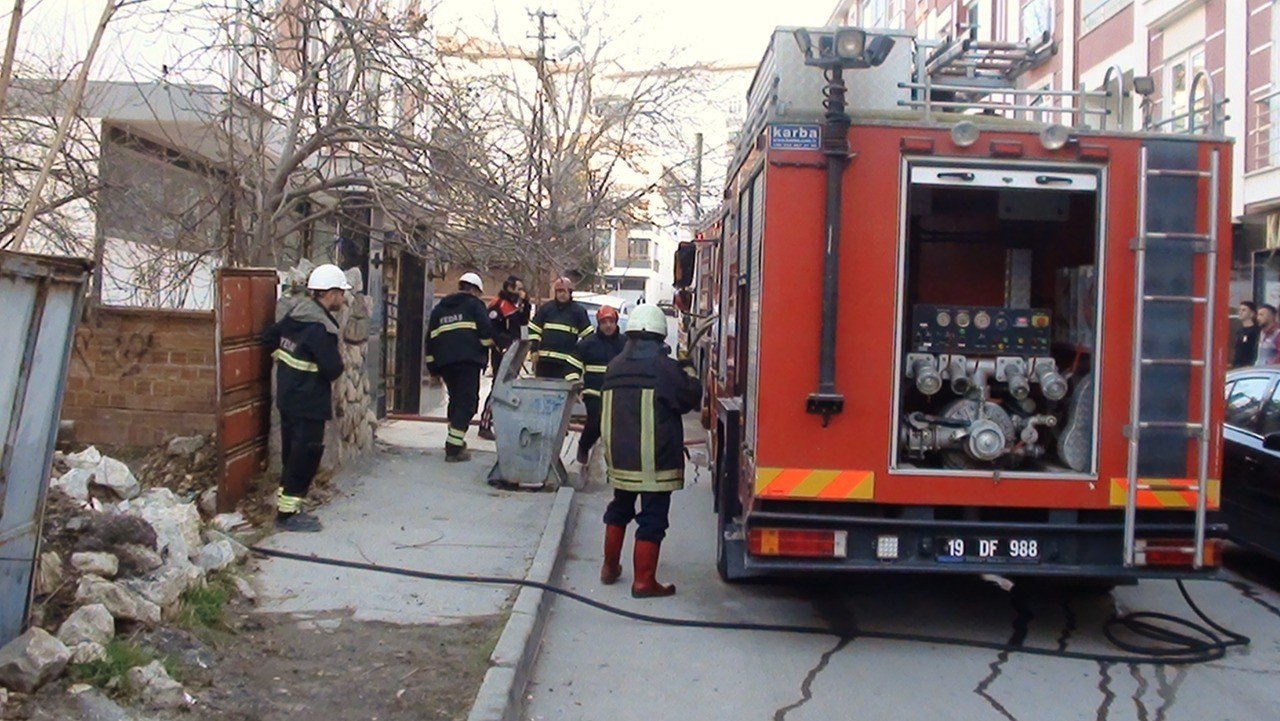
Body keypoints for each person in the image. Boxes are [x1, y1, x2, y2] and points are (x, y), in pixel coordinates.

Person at [599, 305, 702, 598]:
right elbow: (689, 399)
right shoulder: (665, 368)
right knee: (653, 518)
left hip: (621, 459)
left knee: (619, 507)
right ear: (660, 335)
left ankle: (609, 568)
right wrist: (689, 370)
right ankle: (644, 582)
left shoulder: (615, 364)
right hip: (655, 460)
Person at [262, 264, 349, 532]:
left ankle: (288, 506)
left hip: (288, 399)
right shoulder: (319, 328)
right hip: (309, 403)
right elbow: (333, 368)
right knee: (305, 457)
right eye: (341, 293)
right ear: (330, 293)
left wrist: (284, 361)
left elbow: (269, 339)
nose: (343, 299)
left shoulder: (295, 316)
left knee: (292, 455)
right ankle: (288, 515)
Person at [426, 273, 495, 461]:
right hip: (468, 361)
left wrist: (433, 369)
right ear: (474, 290)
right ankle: (453, 447)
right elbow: (486, 332)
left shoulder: (439, 309)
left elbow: (430, 340)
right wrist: (491, 345)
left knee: (455, 401)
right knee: (468, 403)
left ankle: (455, 439)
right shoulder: (475, 305)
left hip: (445, 363)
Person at [574, 304, 625, 466]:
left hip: (617, 393)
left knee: (617, 427)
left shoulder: (626, 344)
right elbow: (573, 364)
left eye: (611, 321)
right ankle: (583, 446)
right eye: (604, 322)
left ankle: (616, 460)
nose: (608, 325)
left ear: (616, 322)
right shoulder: (588, 344)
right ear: (598, 324)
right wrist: (573, 385)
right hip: (594, 392)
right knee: (595, 422)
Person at [529, 277, 591, 380]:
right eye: (559, 291)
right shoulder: (546, 309)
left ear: (570, 292)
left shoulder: (578, 312)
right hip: (545, 363)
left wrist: (578, 357)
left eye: (564, 291)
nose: (561, 294)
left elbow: (588, 337)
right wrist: (534, 350)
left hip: (566, 364)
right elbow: (533, 329)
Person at [486, 275, 531, 375]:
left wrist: (526, 303)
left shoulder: (513, 305)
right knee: (499, 379)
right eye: (519, 289)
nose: (521, 292)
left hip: (514, 347)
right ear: (510, 288)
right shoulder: (498, 304)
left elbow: (523, 321)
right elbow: (492, 327)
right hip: (501, 349)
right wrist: (502, 345)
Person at [1233, 301, 1260, 368]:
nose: (1240, 312)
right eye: (1239, 310)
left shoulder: (1256, 331)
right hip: (1238, 366)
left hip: (1248, 366)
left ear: (1251, 314)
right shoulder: (1240, 331)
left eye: (1244, 310)